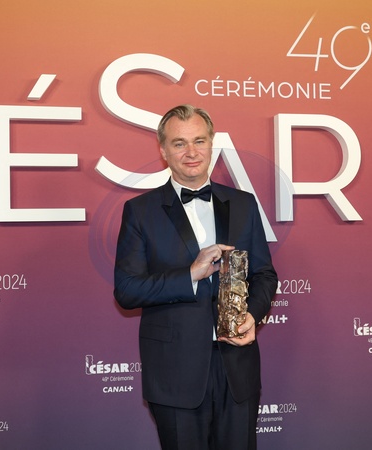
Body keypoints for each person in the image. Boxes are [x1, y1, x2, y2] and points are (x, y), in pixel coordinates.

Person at [114, 104, 278, 449]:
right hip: (175, 372)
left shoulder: (244, 203)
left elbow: (264, 274)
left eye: (199, 141)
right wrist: (189, 275)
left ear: (211, 143)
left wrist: (252, 315)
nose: (192, 152)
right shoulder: (140, 211)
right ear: (163, 150)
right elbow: (127, 290)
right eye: (179, 143)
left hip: (238, 367)